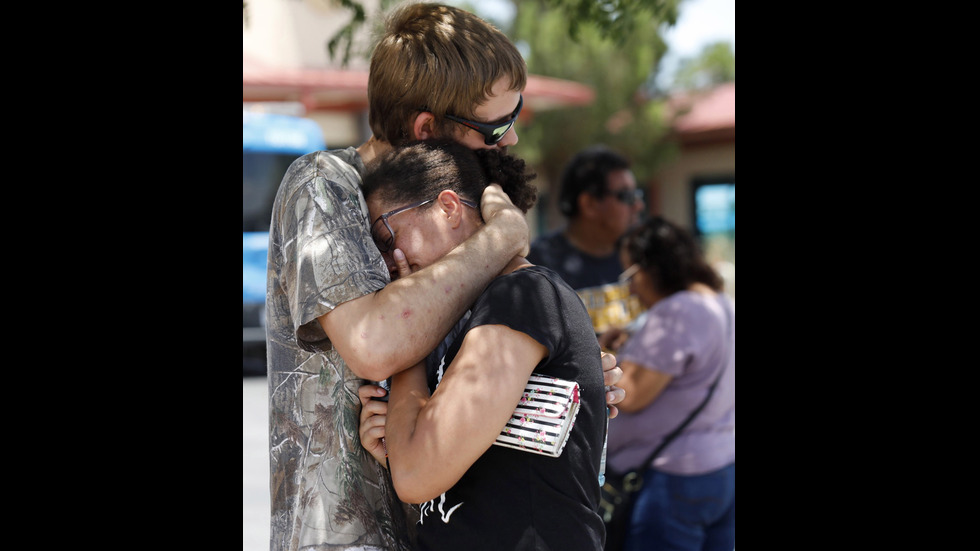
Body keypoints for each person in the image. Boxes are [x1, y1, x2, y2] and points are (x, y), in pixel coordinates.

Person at [265, 4, 624, 550]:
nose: (510, 142)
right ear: (427, 129)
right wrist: (501, 239)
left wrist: (568, 384)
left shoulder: (454, 235)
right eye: (494, 127)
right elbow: (374, 342)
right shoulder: (325, 183)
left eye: (515, 116)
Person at [357, 138, 607, 550]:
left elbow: (417, 475)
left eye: (387, 237)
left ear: (449, 208)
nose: (386, 261)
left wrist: (404, 339)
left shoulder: (523, 296)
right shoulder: (470, 318)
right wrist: (397, 441)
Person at [599, 216, 735, 551]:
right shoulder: (720, 302)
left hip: (671, 479)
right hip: (718, 468)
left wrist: (600, 350)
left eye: (630, 274)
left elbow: (629, 394)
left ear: (653, 267)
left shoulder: (677, 312)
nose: (629, 287)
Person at [527, 145, 645, 335]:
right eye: (627, 196)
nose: (638, 205)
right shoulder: (539, 268)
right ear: (589, 204)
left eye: (637, 194)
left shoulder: (642, 256)